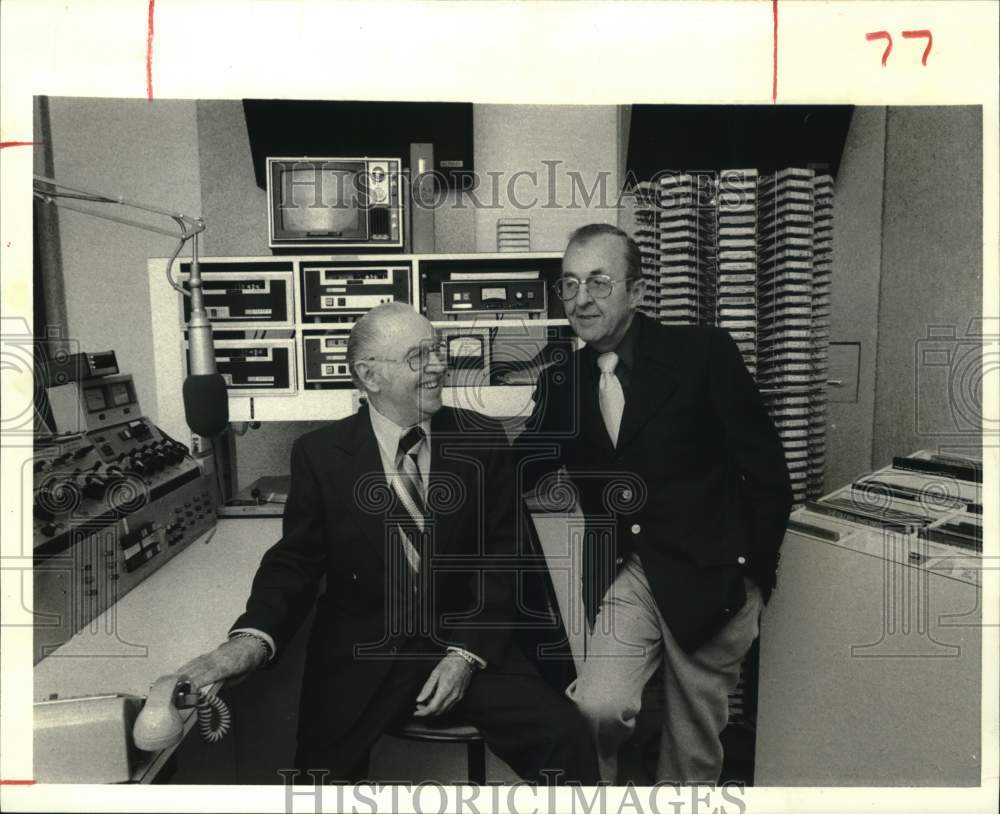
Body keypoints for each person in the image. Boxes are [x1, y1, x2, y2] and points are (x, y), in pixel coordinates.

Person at [179, 303, 599, 784]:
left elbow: (501, 562)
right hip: (363, 653)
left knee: (567, 738)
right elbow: (294, 563)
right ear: (369, 375)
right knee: (319, 779)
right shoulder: (320, 456)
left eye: (437, 350)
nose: (440, 365)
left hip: (463, 645)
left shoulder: (480, 440)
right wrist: (251, 639)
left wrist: (465, 655)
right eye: (420, 356)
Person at [518, 223, 793, 783]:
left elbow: (767, 474)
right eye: (568, 285)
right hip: (630, 575)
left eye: (598, 282)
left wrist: (754, 576)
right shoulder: (564, 381)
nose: (581, 299)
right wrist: (438, 456)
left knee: (692, 750)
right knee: (598, 707)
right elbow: (523, 465)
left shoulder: (702, 355)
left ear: (638, 291)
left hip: (712, 576)